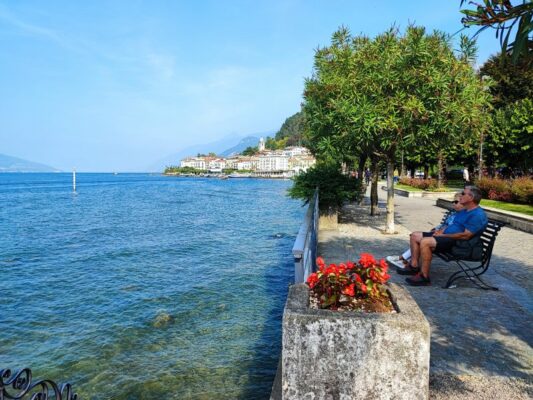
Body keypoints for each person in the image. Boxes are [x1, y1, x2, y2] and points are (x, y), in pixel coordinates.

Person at [398, 186, 488, 286]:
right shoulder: (465, 211)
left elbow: (465, 236)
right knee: (414, 235)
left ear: (471, 198)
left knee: (425, 242)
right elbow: (452, 224)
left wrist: (444, 235)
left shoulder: (477, 215)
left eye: (463, 194)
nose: (460, 196)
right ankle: (414, 266)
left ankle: (424, 277)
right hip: (447, 236)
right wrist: (440, 231)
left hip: (458, 243)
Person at [386, 192, 463, 269]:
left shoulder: (463, 215)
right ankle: (406, 260)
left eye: (456, 202)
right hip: (440, 235)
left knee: (419, 238)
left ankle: (404, 259)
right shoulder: (454, 213)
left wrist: (439, 232)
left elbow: (451, 229)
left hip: (446, 238)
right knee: (416, 236)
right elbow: (444, 225)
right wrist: (436, 229)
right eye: (453, 202)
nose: (453, 204)